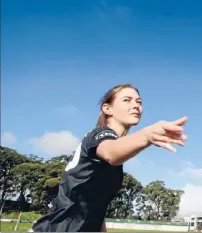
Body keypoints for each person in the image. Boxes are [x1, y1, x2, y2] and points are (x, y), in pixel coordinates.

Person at [30, 83, 187, 232]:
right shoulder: (99, 135)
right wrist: (147, 135)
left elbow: (96, 209)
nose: (136, 105)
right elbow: (110, 152)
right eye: (127, 100)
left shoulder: (116, 158)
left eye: (139, 101)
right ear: (107, 108)